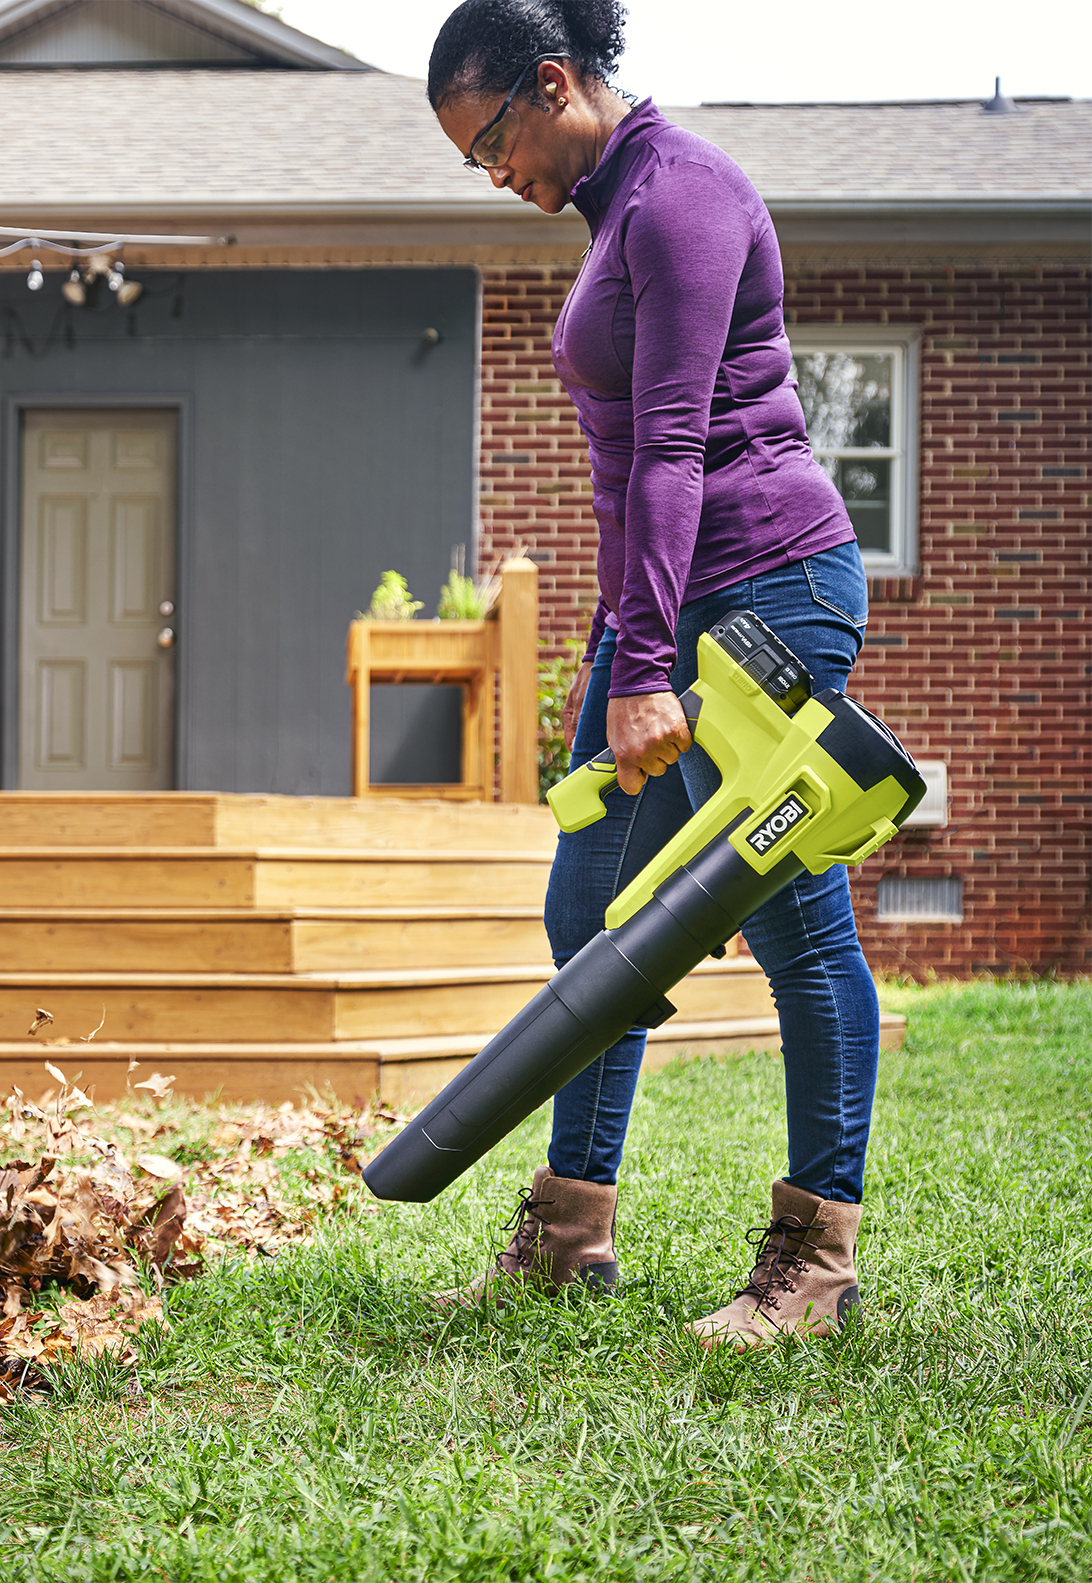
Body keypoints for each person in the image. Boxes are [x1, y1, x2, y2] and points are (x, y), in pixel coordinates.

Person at [425, 0, 880, 1348]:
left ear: (553, 85)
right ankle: (573, 1234)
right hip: (670, 617)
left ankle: (816, 1265)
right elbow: (624, 477)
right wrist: (630, 645)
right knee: (589, 905)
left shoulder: (681, 198)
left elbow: (675, 447)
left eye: (491, 142)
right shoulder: (614, 215)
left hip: (770, 599)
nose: (495, 175)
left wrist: (646, 670)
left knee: (802, 925)